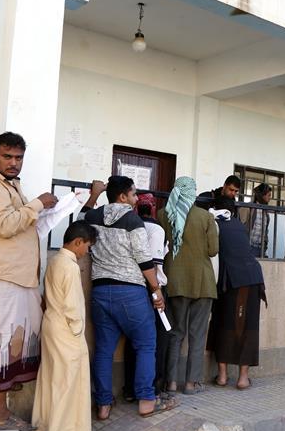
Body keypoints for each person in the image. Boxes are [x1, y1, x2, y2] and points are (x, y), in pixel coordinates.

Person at [0, 132, 58, 431]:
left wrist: (41, 211)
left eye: (18, 158)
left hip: (17, 274)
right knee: (6, 341)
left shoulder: (10, 185)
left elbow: (18, 222)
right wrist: (37, 204)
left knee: (19, 340)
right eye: (7, 157)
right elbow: (6, 226)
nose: (13, 163)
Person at [85, 176, 176, 418]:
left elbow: (81, 223)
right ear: (123, 196)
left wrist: (94, 195)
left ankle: (103, 405)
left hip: (100, 290)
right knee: (146, 345)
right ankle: (146, 400)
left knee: (104, 350)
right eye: (134, 194)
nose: (137, 199)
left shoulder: (92, 218)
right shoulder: (133, 220)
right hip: (131, 292)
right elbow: (144, 260)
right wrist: (156, 290)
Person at [31, 221, 97, 431]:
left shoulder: (55, 260)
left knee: (50, 380)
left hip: (51, 324)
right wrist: (78, 330)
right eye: (86, 247)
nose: (86, 252)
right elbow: (72, 306)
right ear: (78, 242)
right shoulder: (69, 266)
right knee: (67, 384)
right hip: (66, 329)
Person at [159, 176, 218, 395]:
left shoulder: (163, 215)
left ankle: (171, 382)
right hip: (203, 282)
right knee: (197, 334)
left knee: (176, 333)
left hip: (175, 280)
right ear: (192, 193)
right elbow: (213, 250)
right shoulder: (205, 217)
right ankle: (192, 383)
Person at [208, 196, 267, 390]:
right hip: (252, 278)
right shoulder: (238, 225)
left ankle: (223, 377)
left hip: (230, 279)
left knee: (223, 323)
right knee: (248, 327)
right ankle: (242, 379)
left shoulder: (213, 224)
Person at [122, 192, 171, 399]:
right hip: (151, 289)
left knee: (132, 340)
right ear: (152, 208)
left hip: (131, 287)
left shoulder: (128, 226)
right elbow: (154, 265)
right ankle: (152, 389)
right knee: (156, 340)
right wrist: (157, 291)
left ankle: (130, 390)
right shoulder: (155, 229)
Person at [238, 183, 272, 257]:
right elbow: (241, 227)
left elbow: (265, 230)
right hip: (248, 247)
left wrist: (265, 245)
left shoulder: (265, 212)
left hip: (260, 249)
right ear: (262, 195)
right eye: (268, 195)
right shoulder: (248, 208)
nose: (270, 198)